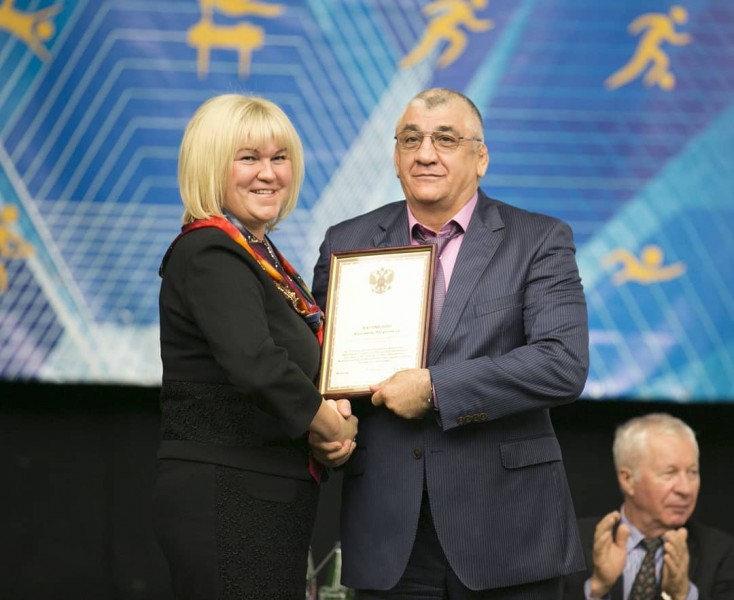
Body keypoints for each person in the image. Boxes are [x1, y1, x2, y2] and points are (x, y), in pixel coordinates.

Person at [310, 87, 589, 598]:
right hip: (388, 531)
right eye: (410, 139)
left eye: (445, 139)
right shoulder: (346, 243)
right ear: (396, 158)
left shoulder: (538, 239)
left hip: (506, 529)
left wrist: (437, 388)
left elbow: (562, 363)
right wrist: (328, 421)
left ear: (480, 158)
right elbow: (323, 365)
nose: (425, 153)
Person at [152, 93, 357, 599]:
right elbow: (255, 362)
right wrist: (327, 423)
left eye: (278, 158)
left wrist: (333, 419)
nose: (268, 173)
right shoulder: (211, 249)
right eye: (248, 158)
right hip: (228, 494)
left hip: (260, 493)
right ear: (210, 166)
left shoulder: (255, 251)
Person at [562, 413, 734, 600]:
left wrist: (683, 595)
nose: (685, 489)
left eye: (693, 472)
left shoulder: (722, 554)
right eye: (669, 473)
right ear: (628, 480)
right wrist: (597, 589)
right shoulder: (570, 544)